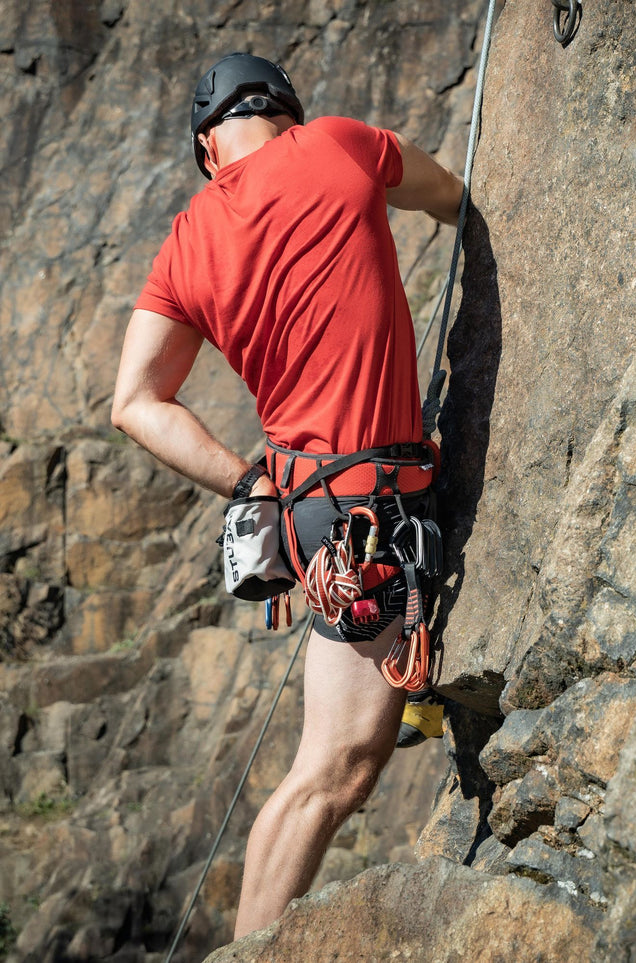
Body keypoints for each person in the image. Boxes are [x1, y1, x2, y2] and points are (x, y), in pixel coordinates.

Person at [110, 52, 463, 935]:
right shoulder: (339, 143)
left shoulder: (185, 242)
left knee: (327, 768)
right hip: (373, 511)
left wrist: (249, 479)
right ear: (284, 112)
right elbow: (451, 196)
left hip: (312, 512)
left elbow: (134, 404)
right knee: (332, 771)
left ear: (207, 147)